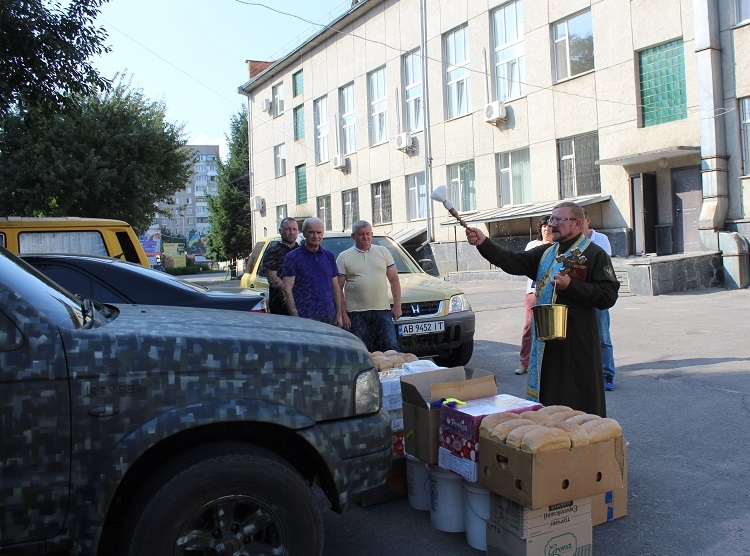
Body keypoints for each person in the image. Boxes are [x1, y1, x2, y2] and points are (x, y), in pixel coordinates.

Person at [465, 202, 619, 417]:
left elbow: (608, 295)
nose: (552, 224)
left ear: (576, 224)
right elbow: (514, 262)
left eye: (558, 220)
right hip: (546, 339)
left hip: (578, 341)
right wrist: (484, 243)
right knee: (550, 390)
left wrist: (571, 286)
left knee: (576, 395)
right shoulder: (547, 252)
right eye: (551, 219)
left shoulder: (594, 254)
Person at [337, 220, 402, 352]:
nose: (365, 237)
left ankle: (392, 373)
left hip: (382, 311)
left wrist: (397, 306)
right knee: (362, 350)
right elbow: (338, 288)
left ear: (372, 235)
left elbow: (394, 280)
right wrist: (344, 314)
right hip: (356, 314)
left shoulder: (383, 252)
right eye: (361, 234)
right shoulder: (343, 257)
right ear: (353, 237)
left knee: (391, 348)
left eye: (368, 234)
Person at [282, 218, 343, 326]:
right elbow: (287, 289)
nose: (316, 236)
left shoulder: (329, 256)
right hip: (305, 316)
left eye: (319, 232)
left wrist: (339, 314)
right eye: (311, 232)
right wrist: (295, 317)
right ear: (304, 233)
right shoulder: (293, 257)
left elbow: (335, 287)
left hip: (329, 316)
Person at [582, 211, 618, 391]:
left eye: (580, 220)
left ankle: (607, 374)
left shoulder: (601, 239)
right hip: (579, 294)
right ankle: (588, 374)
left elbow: (603, 267)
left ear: (587, 220)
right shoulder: (569, 242)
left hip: (597, 295)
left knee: (603, 336)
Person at [515, 215, 554, 375]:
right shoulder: (533, 245)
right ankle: (524, 363)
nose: (547, 229)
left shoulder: (558, 246)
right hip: (532, 292)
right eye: (544, 226)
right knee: (529, 327)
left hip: (551, 292)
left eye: (549, 226)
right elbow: (527, 265)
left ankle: (547, 364)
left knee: (550, 328)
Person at [260, 217, 298, 315]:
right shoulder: (273, 251)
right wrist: (289, 292)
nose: (291, 232)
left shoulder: (301, 251)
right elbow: (272, 277)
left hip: (301, 304)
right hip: (280, 306)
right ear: (280, 231)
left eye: (294, 229)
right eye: (288, 229)